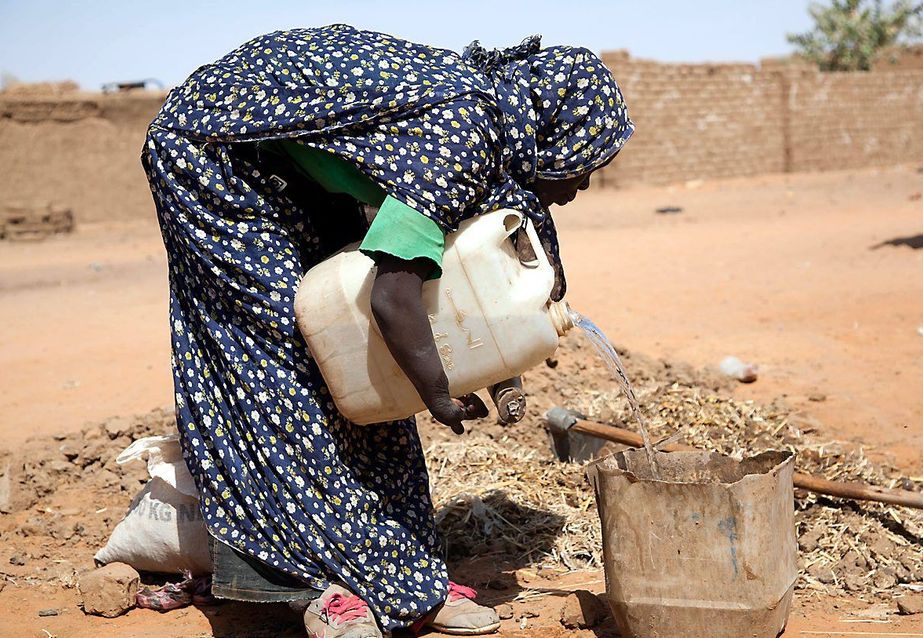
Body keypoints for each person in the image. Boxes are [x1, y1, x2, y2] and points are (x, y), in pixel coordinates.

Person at [142, 24, 633, 638]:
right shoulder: (463, 138)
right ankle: (311, 583)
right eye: (586, 165)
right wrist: (435, 391)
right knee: (294, 358)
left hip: (283, 161)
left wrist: (492, 361)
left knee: (362, 363)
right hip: (210, 156)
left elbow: (456, 290)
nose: (582, 184)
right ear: (553, 135)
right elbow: (394, 295)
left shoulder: (492, 140)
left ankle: (398, 571)